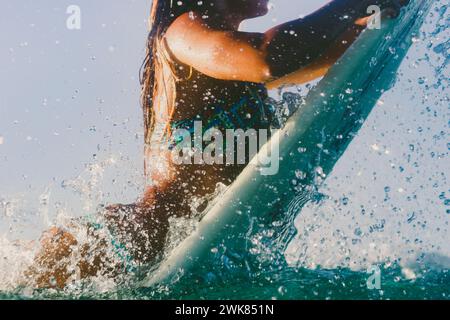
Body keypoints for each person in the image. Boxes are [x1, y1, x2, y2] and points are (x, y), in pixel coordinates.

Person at [28, 0, 409, 288]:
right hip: (136, 243)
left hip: (196, 243)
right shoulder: (182, 34)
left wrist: (382, 14)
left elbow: (325, 56)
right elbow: (269, 58)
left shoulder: (230, 64)